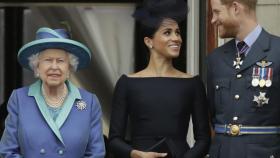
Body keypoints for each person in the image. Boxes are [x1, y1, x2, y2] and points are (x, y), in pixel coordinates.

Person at [109, 0, 211, 158]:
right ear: (149, 41)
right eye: (167, 32)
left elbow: (204, 140)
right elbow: (114, 140)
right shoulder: (127, 83)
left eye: (177, 32)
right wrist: (136, 154)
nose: (177, 38)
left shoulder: (193, 84)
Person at [0, 27, 105, 158]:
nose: (54, 67)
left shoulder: (89, 102)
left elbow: (96, 154)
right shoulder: (19, 99)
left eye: (60, 61)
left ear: (69, 68)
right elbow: (7, 152)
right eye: (48, 60)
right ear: (37, 67)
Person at [207, 0, 280, 158]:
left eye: (217, 12)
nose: (213, 19)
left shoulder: (277, 50)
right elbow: (213, 115)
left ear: (235, 8)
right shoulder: (216, 58)